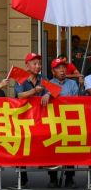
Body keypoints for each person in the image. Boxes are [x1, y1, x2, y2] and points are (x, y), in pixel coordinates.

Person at [44, 58, 79, 188]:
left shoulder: (73, 84)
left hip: (69, 121)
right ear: (53, 71)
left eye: (64, 67)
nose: (62, 70)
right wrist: (48, 94)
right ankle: (52, 178)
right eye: (58, 68)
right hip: (53, 122)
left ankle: (69, 178)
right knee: (52, 150)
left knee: (69, 150)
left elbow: (76, 102)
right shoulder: (48, 84)